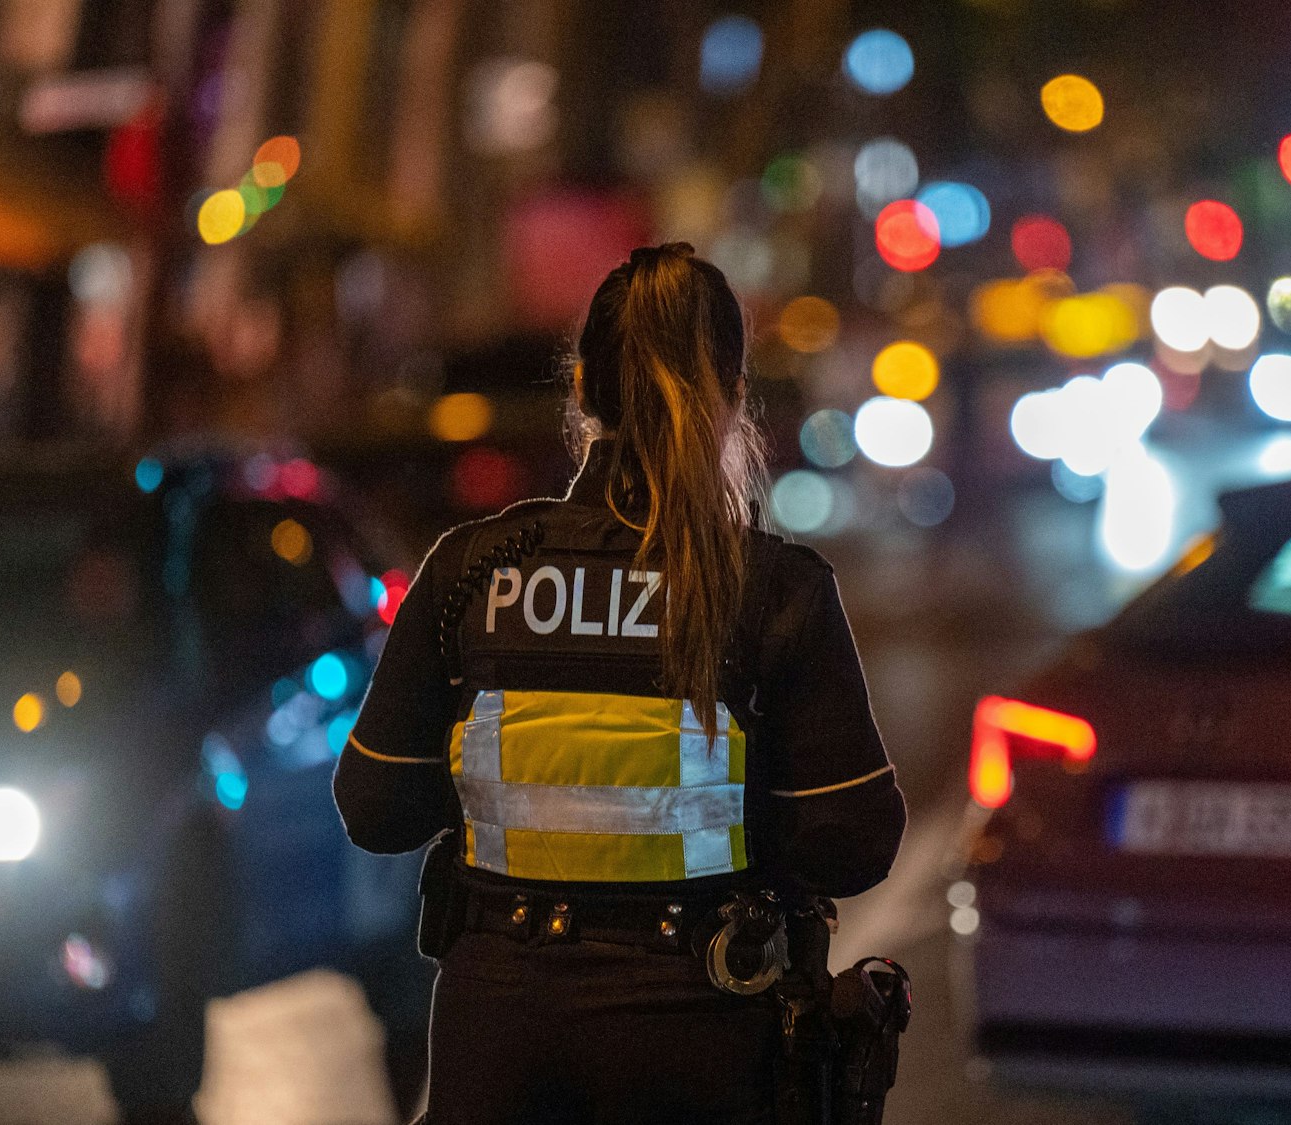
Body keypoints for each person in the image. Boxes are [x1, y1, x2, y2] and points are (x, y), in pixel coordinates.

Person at [333, 242, 907, 1124]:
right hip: (697, 1036)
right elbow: (854, 837)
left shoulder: (472, 570)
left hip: (500, 1031)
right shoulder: (769, 586)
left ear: (583, 390)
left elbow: (376, 806)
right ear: (728, 389)